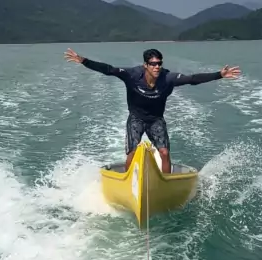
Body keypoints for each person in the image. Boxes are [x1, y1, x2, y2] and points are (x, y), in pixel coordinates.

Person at [64, 47, 240, 173]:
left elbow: (192, 79)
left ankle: (165, 182)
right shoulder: (132, 75)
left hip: (156, 119)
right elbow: (108, 69)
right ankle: (127, 181)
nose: (157, 67)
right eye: (153, 64)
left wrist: (219, 75)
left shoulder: (168, 78)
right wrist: (83, 61)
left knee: (164, 152)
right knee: (132, 152)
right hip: (136, 118)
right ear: (145, 65)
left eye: (159, 63)